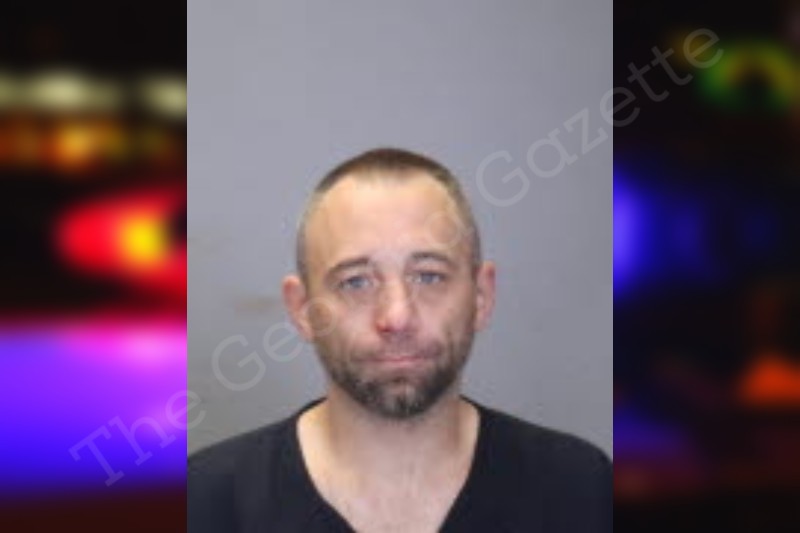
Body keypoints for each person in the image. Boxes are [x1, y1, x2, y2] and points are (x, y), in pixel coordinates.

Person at [188, 148, 611, 532]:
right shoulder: (203, 502)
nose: (397, 317)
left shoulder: (579, 488)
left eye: (429, 276)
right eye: (356, 282)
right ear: (302, 310)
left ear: (481, 297)